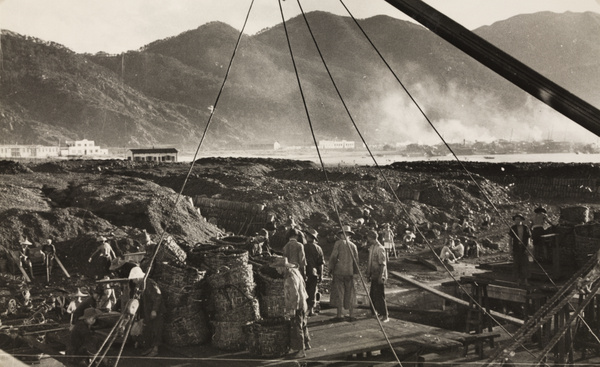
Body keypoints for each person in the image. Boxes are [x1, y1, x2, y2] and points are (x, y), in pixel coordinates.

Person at [273, 256, 310, 358]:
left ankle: (300, 350)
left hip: (297, 304)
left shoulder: (289, 277)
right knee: (303, 324)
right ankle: (306, 344)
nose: (277, 270)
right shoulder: (296, 272)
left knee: (296, 327)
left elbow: (294, 294)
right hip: (303, 302)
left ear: (283, 267)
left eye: (278, 268)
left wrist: (292, 308)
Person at [130, 272, 164, 358]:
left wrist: (154, 310)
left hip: (157, 311)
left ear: (137, 278)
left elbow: (158, 297)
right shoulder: (141, 285)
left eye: (134, 279)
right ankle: (150, 348)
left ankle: (155, 349)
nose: (133, 281)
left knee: (157, 329)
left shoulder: (150, 284)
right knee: (149, 329)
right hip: (148, 310)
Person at [329, 225, 359, 320]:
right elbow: (356, 261)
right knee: (350, 293)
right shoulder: (353, 246)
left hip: (339, 271)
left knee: (339, 292)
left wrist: (331, 268)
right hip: (349, 272)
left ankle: (339, 314)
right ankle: (351, 314)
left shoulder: (338, 244)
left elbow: (333, 257)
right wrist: (355, 272)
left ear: (342, 234)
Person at [366, 230, 389, 322]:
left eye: (368, 237)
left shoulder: (380, 248)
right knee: (372, 295)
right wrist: (368, 274)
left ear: (372, 238)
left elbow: (383, 264)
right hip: (374, 274)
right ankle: (374, 312)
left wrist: (381, 276)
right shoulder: (372, 248)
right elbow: (370, 263)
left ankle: (385, 315)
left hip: (379, 274)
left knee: (380, 295)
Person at [304, 228, 323, 316]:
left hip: (303, 272)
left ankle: (303, 310)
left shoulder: (302, 247)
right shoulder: (318, 248)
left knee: (303, 290)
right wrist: (321, 275)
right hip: (313, 272)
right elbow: (320, 263)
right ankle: (310, 310)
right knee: (312, 291)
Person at [509, 213, 531, 286]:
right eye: (516, 219)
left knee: (525, 264)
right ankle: (517, 281)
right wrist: (510, 249)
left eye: (518, 219)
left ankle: (525, 280)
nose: (517, 221)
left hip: (524, 248)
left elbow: (528, 238)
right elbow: (510, 239)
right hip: (516, 248)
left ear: (521, 220)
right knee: (516, 264)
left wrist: (528, 247)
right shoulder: (513, 228)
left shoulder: (525, 228)